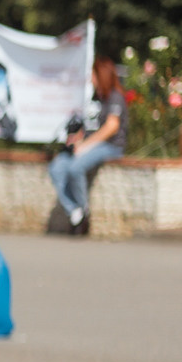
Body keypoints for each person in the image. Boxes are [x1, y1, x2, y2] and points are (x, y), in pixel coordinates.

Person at [49, 57, 127, 234]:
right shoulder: (94, 98)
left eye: (93, 74)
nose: (91, 78)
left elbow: (111, 127)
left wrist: (85, 146)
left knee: (75, 168)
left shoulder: (115, 96)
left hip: (109, 146)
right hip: (88, 144)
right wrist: (76, 140)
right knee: (57, 168)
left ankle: (84, 211)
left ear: (102, 75)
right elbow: (89, 126)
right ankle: (74, 211)